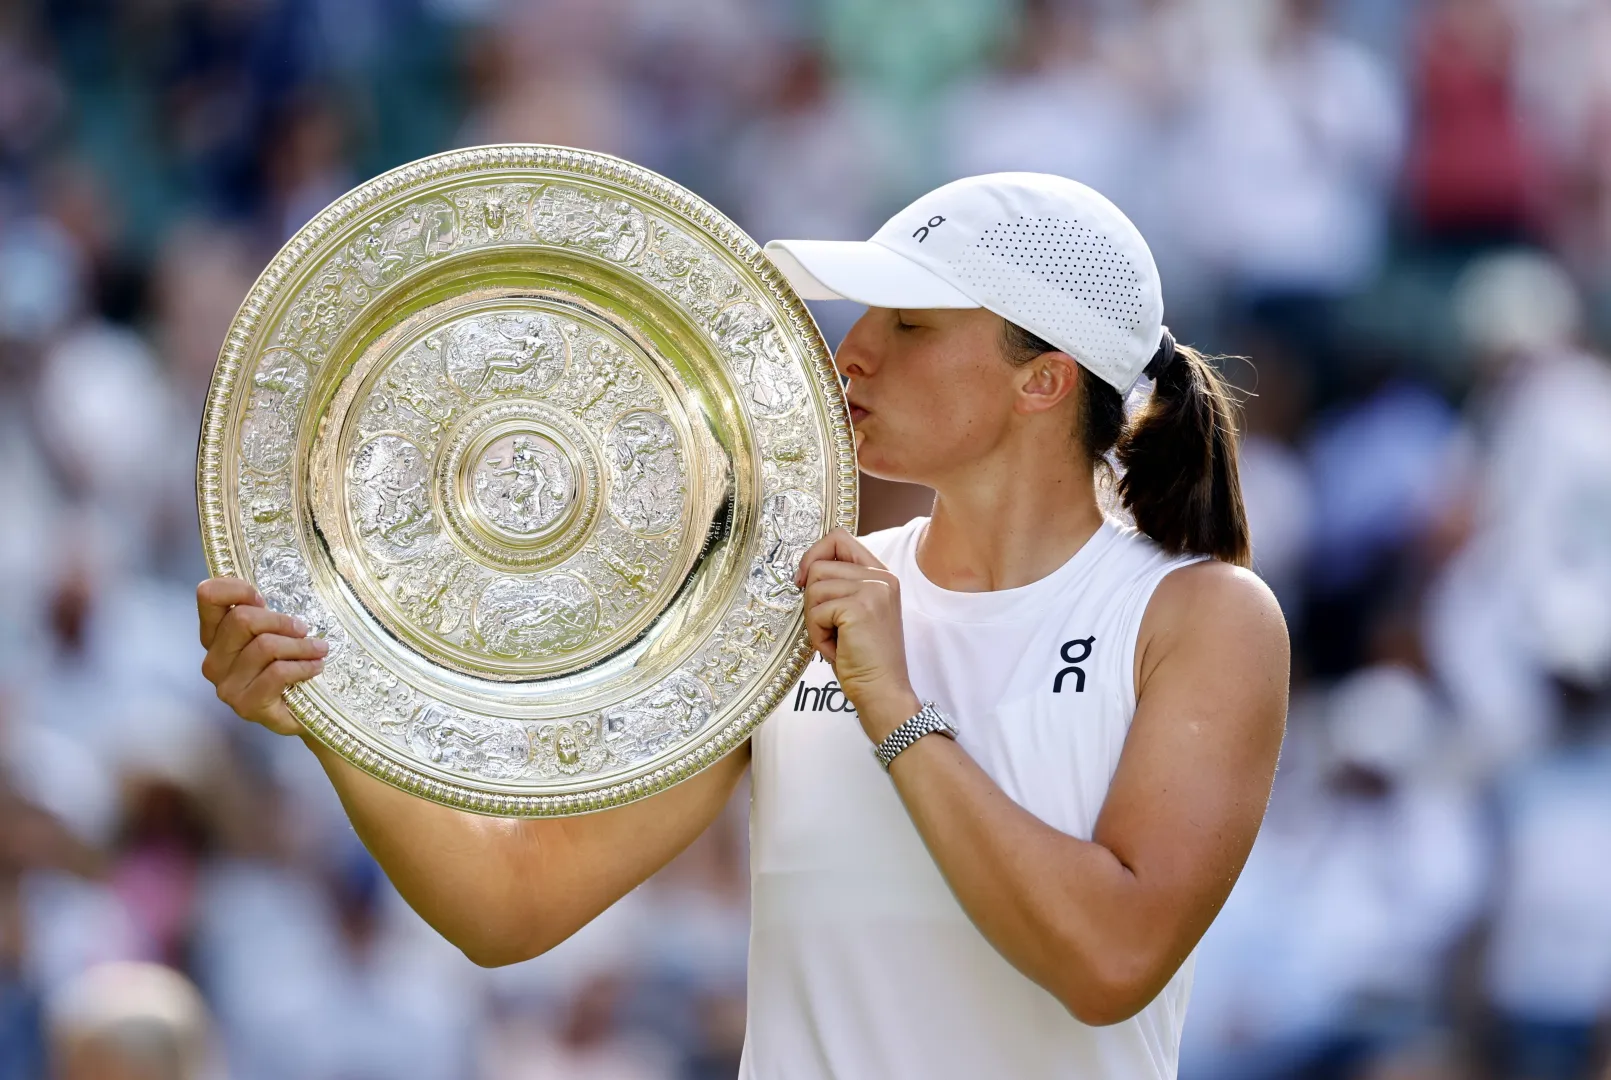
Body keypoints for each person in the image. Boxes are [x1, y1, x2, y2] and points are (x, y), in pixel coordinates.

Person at [196, 172, 1289, 1079]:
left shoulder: (1200, 618)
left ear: (1044, 381)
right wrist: (331, 706)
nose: (850, 352)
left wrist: (893, 707)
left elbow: (1109, 959)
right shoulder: (791, 603)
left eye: (909, 325)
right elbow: (510, 907)